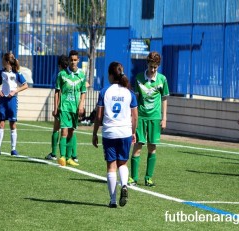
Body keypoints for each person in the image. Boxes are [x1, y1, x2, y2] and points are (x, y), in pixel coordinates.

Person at [92, 61, 138, 208]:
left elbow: (98, 117)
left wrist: (94, 133)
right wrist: (133, 132)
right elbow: (135, 116)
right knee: (122, 163)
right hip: (125, 131)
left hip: (109, 132)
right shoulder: (129, 93)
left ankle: (112, 200)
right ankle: (124, 184)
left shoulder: (105, 91)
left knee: (111, 166)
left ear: (111, 75)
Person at [128, 51, 169, 187]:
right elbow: (135, 100)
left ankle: (148, 178)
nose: (152, 70)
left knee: (152, 147)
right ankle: (133, 178)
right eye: (151, 67)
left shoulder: (162, 79)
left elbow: (164, 99)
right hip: (141, 117)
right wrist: (132, 117)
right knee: (137, 146)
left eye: (155, 68)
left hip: (155, 118)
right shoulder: (139, 78)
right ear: (147, 64)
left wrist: (164, 118)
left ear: (158, 66)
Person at [0, 52, 28, 156]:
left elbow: (25, 85)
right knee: (1, 123)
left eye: (3, 60)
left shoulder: (17, 73)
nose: (1, 62)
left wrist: (15, 91)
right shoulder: (1, 72)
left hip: (12, 101)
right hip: (3, 100)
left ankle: (13, 149)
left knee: (12, 124)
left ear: (7, 61)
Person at [55, 50, 86, 166]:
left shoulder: (82, 75)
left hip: (75, 108)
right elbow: (57, 91)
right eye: (71, 60)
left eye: (75, 60)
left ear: (78, 60)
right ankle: (62, 157)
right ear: (68, 60)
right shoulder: (62, 74)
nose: (73, 62)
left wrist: (81, 105)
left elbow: (83, 91)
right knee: (64, 131)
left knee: (71, 132)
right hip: (64, 107)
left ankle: (68, 158)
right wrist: (56, 107)